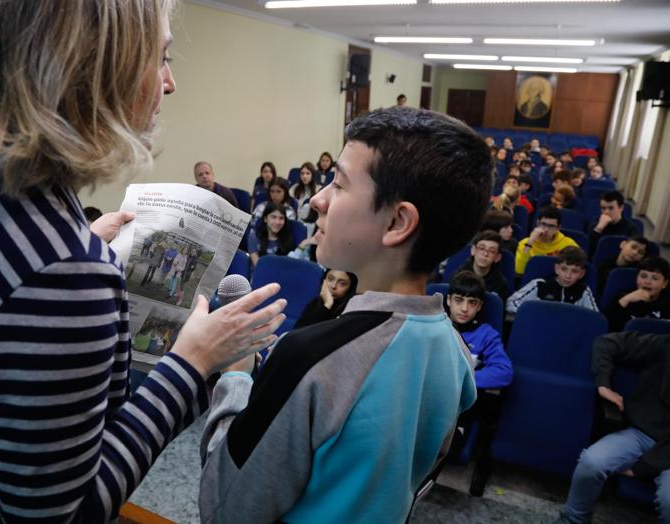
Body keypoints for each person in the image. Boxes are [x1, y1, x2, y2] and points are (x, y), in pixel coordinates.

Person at [0, 1, 286, 521]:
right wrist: (192, 364)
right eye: (161, 57)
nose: (169, 82)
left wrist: (71, 246)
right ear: (92, 68)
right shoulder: (62, 279)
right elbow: (64, 514)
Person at [198, 107, 489, 523]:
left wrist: (236, 376)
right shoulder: (456, 352)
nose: (318, 199)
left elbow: (227, 507)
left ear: (397, 221)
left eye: (338, 183)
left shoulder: (308, 358)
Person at [554, 331, 670, 524]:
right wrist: (603, 384)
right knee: (592, 461)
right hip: (641, 434)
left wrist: (644, 467)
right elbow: (606, 343)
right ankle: (573, 520)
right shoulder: (664, 344)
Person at [445, 271, 513, 496]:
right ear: (448, 301)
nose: (464, 308)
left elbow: (504, 372)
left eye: (471, 303)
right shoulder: (435, 325)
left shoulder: (486, 334)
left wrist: (464, 378)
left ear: (479, 306)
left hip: (459, 406)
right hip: (426, 397)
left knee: (448, 445)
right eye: (458, 300)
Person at [506, 247, 598, 314]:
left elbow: (594, 317)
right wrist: (535, 313)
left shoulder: (584, 291)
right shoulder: (540, 284)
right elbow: (511, 303)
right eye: (564, 269)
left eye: (574, 271)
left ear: (581, 274)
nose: (568, 275)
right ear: (557, 268)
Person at [604, 256, 670, 331]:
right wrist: (625, 300)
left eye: (654, 278)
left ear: (665, 283)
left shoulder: (667, 305)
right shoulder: (622, 298)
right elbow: (605, 326)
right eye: (643, 276)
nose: (647, 282)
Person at [515, 206, 579, 275]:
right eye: (543, 224)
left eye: (551, 226)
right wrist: (530, 242)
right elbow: (519, 270)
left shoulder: (568, 244)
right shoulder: (525, 243)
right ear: (538, 223)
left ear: (558, 228)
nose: (546, 230)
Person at [454, 230, 510, 301]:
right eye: (482, 248)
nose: (485, 254)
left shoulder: (501, 284)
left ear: (497, 257)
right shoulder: (458, 277)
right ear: (473, 250)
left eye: (492, 251)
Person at [293, 269, 358, 328]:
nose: (333, 286)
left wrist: (326, 307)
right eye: (330, 279)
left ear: (350, 288)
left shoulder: (350, 312)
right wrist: (327, 305)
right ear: (323, 280)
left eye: (342, 283)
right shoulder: (316, 302)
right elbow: (297, 332)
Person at [247, 202, 294, 268]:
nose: (277, 222)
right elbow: (257, 265)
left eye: (281, 218)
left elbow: (287, 266)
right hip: (259, 274)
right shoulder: (254, 236)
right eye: (273, 217)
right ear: (265, 218)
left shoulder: (288, 238)